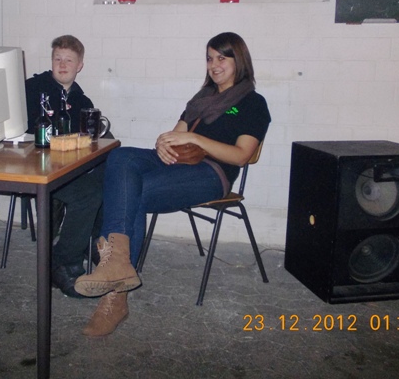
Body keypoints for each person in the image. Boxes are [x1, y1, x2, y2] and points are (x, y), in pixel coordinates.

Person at [73, 32, 271, 336]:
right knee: (121, 156)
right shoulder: (202, 98)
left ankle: (115, 297)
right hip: (178, 164)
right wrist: (163, 143)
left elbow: (241, 155)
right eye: (209, 58)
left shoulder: (252, 103)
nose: (214, 65)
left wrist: (194, 138)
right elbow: (176, 133)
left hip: (212, 173)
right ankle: (118, 265)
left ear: (239, 60)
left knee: (132, 193)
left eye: (222, 58)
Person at [25, 35, 105, 298]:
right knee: (89, 193)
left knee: (111, 174)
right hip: (36, 166)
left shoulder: (83, 102)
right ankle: (63, 263)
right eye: (57, 58)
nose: (62, 64)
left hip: (67, 168)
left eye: (68, 60)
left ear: (79, 65)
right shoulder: (31, 89)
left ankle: (91, 241)